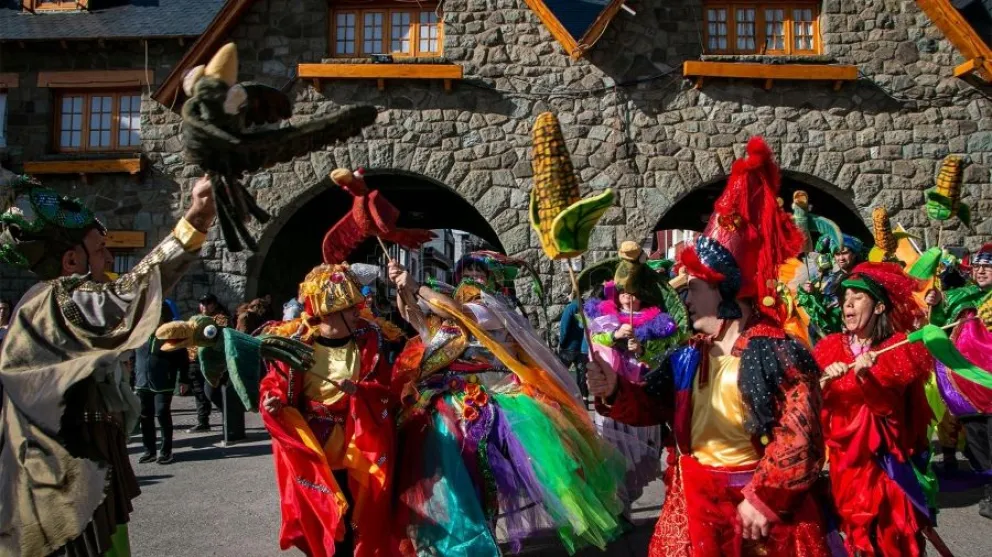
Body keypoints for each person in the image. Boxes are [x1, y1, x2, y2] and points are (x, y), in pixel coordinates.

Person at [587, 138, 830, 557]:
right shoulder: (688, 353)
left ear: (726, 293)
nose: (685, 298)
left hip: (758, 515)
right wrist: (613, 390)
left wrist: (764, 499)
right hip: (696, 502)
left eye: (694, 288)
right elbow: (652, 405)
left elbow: (801, 438)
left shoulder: (776, 351)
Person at [0, 174, 215, 557]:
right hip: (62, 476)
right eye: (101, 250)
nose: (111, 260)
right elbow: (134, 290)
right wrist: (196, 218)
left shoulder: (43, 303)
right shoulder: (60, 300)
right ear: (71, 260)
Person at [388, 252, 626, 556]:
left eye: (479, 274)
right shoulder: (447, 314)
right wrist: (401, 287)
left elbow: (457, 312)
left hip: (497, 403)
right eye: (467, 273)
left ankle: (482, 531)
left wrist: (417, 285)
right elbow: (414, 317)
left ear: (494, 282)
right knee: (454, 479)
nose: (471, 278)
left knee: (492, 476)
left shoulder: (489, 308)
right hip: (452, 401)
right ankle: (466, 533)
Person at [259, 262, 399, 557]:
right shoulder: (297, 343)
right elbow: (274, 385)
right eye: (350, 308)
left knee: (355, 516)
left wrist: (360, 391)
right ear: (329, 310)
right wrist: (272, 402)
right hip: (315, 445)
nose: (357, 311)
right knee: (324, 514)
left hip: (357, 441)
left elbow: (386, 389)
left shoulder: (368, 341)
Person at [816, 262, 936, 555]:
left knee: (888, 536)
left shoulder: (896, 347)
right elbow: (813, 409)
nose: (848, 304)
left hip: (884, 467)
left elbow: (891, 415)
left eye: (857, 298)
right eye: (845, 300)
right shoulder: (830, 346)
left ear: (880, 308)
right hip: (845, 465)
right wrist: (822, 383)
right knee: (851, 535)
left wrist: (867, 376)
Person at [585, 241, 680, 515]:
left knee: (638, 456)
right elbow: (594, 340)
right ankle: (619, 505)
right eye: (623, 293)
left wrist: (643, 348)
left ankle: (628, 495)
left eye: (634, 294)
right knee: (612, 451)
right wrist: (614, 336)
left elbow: (662, 357)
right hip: (612, 397)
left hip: (639, 394)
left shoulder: (656, 322)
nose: (628, 298)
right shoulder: (605, 318)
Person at [925, 243, 992, 519]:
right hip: (967, 386)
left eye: (987, 266)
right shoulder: (961, 296)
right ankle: (989, 490)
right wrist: (936, 305)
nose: (981, 271)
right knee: (977, 442)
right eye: (977, 266)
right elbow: (941, 328)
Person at [135, 302, 191, 465]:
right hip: (142, 381)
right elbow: (134, 356)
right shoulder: (141, 334)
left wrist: (184, 379)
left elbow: (183, 359)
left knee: (161, 413)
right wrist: (134, 377)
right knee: (145, 416)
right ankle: (149, 451)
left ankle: (166, 451)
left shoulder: (171, 335)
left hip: (164, 381)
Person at [798, 234, 867, 337]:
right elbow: (821, 305)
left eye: (845, 253)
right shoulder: (827, 277)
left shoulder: (863, 275)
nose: (841, 258)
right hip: (828, 332)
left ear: (854, 254)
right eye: (837, 254)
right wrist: (812, 292)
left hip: (855, 331)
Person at [186, 293, 232, 433]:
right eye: (202, 303)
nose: (205, 306)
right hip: (194, 360)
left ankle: (230, 420)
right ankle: (203, 421)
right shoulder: (195, 319)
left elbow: (222, 339)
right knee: (199, 392)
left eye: (208, 303)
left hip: (212, 361)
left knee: (213, 392)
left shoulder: (221, 320)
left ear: (214, 304)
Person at [558, 290, 589, 400]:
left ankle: (561, 396)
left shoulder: (571, 307)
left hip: (570, 346)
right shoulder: (588, 308)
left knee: (560, 372)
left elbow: (564, 328)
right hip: (584, 347)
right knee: (582, 375)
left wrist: (562, 343)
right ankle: (584, 397)